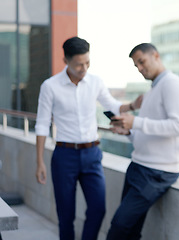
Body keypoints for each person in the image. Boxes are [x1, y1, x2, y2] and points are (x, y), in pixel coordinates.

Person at [35, 36, 141, 240]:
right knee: (65, 215)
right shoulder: (50, 86)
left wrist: (133, 105)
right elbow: (41, 124)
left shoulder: (95, 82)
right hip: (64, 155)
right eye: (78, 64)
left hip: (92, 154)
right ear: (66, 60)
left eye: (87, 63)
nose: (83, 68)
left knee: (98, 209)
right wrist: (39, 161)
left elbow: (112, 105)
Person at [105, 43, 179, 240]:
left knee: (119, 227)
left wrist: (136, 121)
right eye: (136, 66)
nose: (140, 69)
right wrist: (127, 131)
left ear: (156, 56)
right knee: (130, 229)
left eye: (142, 62)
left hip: (157, 172)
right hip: (140, 166)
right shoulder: (152, 90)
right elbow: (145, 132)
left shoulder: (172, 84)